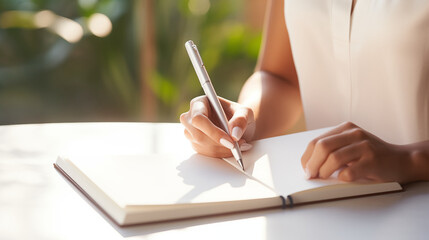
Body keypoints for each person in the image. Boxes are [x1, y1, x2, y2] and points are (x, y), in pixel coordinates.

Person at [180, 0, 429, 184]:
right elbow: (279, 76)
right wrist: (244, 118)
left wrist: (407, 159)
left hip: (416, 206)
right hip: (319, 199)